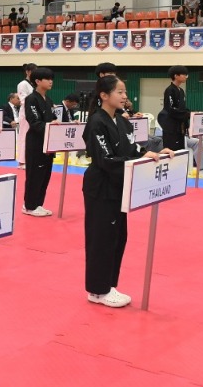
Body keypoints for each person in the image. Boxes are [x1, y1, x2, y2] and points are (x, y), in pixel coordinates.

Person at [83, 76, 174, 308]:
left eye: (125, 92)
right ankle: (97, 289)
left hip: (120, 185)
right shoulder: (96, 122)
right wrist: (138, 157)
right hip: (101, 186)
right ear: (104, 95)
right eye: (120, 92)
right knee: (101, 238)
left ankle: (108, 285)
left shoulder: (122, 122)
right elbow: (105, 159)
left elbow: (133, 148)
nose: (125, 96)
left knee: (117, 237)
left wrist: (153, 151)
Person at [23, 67, 56, 217]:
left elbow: (53, 118)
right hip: (36, 142)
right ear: (37, 81)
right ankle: (29, 205)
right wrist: (50, 126)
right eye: (47, 79)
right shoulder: (31, 99)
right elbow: (35, 122)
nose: (51, 81)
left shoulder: (48, 100)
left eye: (51, 79)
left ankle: (38, 204)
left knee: (45, 175)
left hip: (48, 143)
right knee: (34, 175)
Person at [159, 65, 190, 152]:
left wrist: (188, 113)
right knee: (172, 152)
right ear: (176, 76)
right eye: (183, 74)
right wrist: (186, 114)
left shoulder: (181, 91)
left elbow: (182, 107)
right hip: (171, 127)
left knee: (180, 151)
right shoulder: (170, 90)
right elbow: (170, 109)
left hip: (180, 127)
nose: (186, 76)